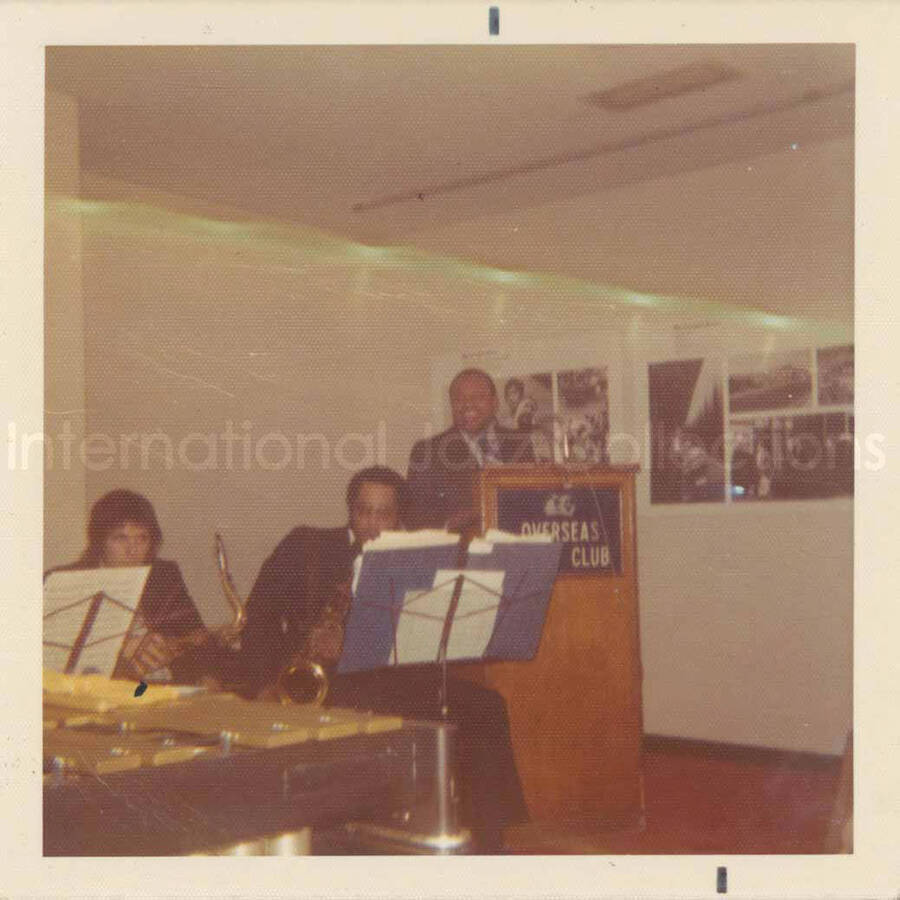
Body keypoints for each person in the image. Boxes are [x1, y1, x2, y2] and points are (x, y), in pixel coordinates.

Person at [238, 465, 528, 850]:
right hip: (327, 682)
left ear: (399, 518)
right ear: (350, 511)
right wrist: (268, 681)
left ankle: (490, 840)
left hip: (397, 678)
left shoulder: (419, 557)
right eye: (363, 511)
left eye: (384, 513)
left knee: (486, 706)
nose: (372, 523)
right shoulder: (306, 547)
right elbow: (258, 617)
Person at [46, 489, 233, 686]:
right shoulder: (65, 581)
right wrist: (119, 652)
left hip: (164, 689)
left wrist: (206, 677)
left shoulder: (163, 575)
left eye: (142, 538)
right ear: (99, 541)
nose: (132, 550)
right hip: (102, 691)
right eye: (120, 538)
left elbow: (195, 635)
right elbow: (53, 660)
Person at [407, 369, 534, 531]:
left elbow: (532, 504)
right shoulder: (426, 452)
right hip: (457, 552)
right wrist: (451, 525)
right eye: (459, 399)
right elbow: (414, 521)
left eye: (478, 397)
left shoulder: (520, 443)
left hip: (513, 550)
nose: (468, 404)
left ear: (495, 402)